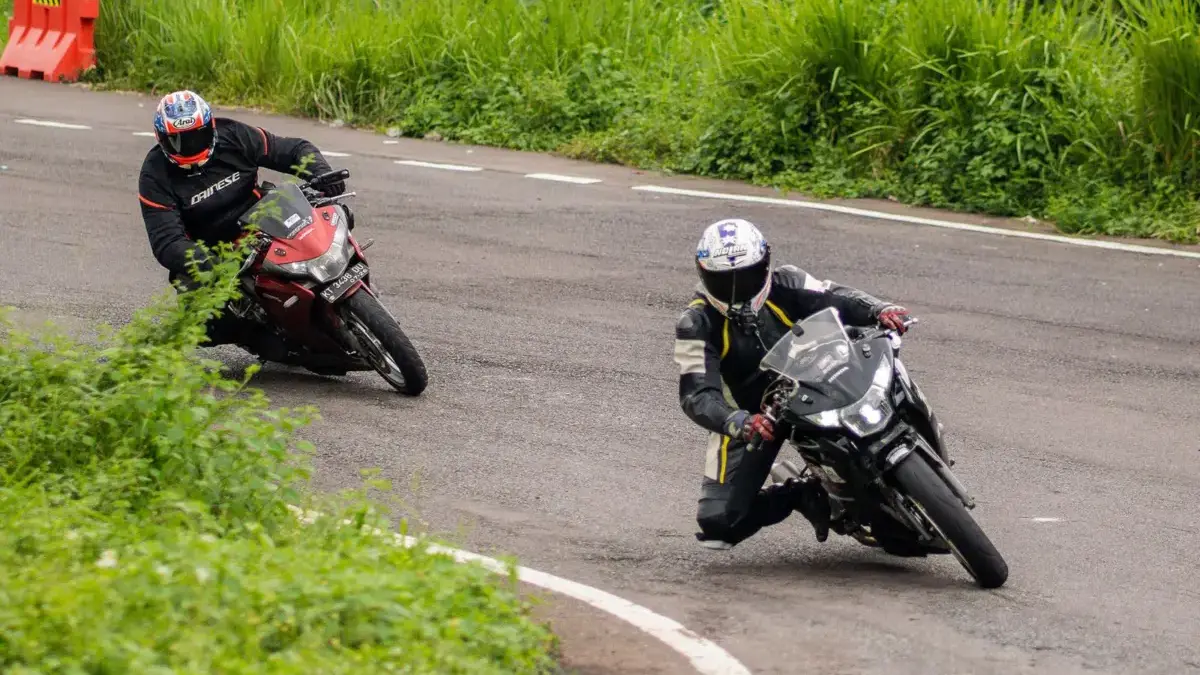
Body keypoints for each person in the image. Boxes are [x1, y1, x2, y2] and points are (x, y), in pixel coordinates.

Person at [672, 218, 911, 550]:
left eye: (746, 277)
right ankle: (802, 493)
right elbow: (696, 394)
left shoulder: (787, 280)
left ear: (765, 264)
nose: (736, 291)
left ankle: (912, 431)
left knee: (882, 364)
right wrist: (738, 422)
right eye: (723, 281)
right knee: (718, 523)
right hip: (758, 416)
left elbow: (834, 296)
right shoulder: (695, 323)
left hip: (819, 378)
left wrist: (878, 309)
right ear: (702, 273)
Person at [136, 90, 345, 359]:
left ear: (210, 127)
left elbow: (293, 150)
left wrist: (321, 172)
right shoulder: (154, 175)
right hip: (211, 248)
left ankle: (344, 275)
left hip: (261, 217)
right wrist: (206, 261)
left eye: (196, 136)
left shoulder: (233, 135)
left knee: (330, 212)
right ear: (161, 138)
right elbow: (166, 241)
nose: (188, 147)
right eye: (177, 140)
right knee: (203, 325)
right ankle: (257, 337)